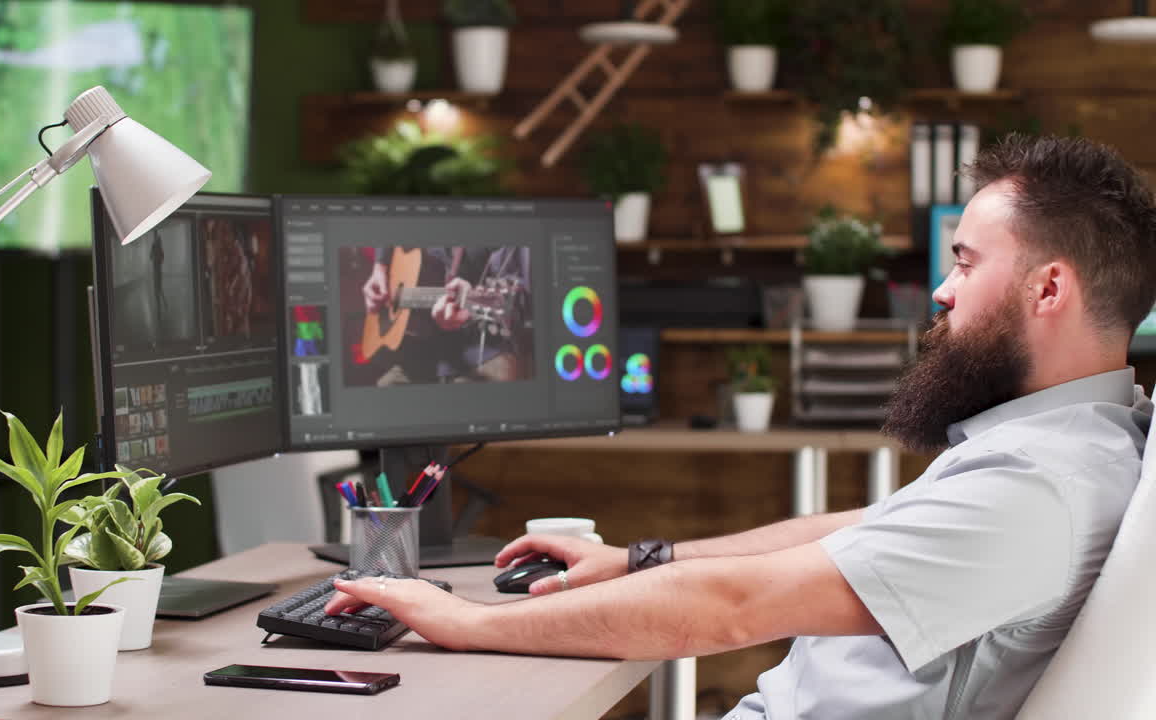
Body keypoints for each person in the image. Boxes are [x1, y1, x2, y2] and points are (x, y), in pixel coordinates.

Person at [325, 134, 1156, 720]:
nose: (942, 290)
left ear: (1049, 289)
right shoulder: (1069, 446)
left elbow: (733, 608)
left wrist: (467, 622)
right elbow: (855, 531)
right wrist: (640, 560)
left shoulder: (1036, 487)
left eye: (966, 263)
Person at [360, 245, 531, 385]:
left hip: (482, 349)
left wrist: (469, 305)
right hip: (419, 352)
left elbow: (522, 295)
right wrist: (380, 266)